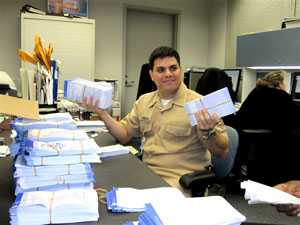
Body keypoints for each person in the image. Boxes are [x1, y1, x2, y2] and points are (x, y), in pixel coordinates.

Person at [82, 46, 229, 191]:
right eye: (161, 70)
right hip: (146, 174)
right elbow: (125, 135)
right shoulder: (144, 101)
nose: (168, 74)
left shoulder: (200, 104)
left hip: (179, 182)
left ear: (181, 71)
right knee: (102, 191)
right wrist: (101, 113)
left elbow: (222, 151)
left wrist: (209, 132)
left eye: (173, 68)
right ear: (151, 75)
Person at [232, 70, 300, 186]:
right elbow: (295, 119)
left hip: (247, 141)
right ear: (279, 83)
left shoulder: (256, 91)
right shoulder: (281, 96)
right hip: (269, 144)